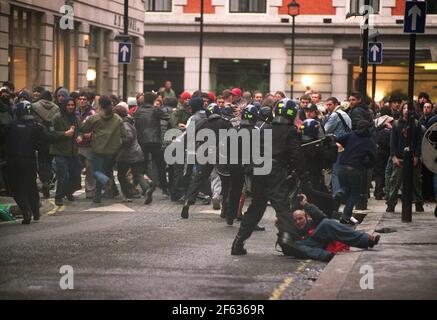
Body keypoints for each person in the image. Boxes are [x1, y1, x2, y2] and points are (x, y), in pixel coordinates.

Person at [231, 99, 305, 255]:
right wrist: (301, 173)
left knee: (256, 207)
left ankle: (238, 242)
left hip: (259, 170)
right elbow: (296, 155)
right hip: (275, 171)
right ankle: (289, 243)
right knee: (283, 208)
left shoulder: (264, 129)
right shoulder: (291, 131)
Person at [282, 194, 380, 262]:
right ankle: (326, 255)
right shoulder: (290, 229)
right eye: (295, 220)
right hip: (306, 245)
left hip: (316, 241)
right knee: (298, 246)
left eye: (300, 218)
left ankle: (367, 240)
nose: (298, 222)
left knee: (327, 223)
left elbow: (322, 217)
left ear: (306, 217)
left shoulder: (311, 222)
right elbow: (287, 245)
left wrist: (306, 204)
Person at [1, 101, 53, 224]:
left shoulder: (10, 126)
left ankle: (26, 212)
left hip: (13, 161)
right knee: (31, 186)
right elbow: (47, 140)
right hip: (29, 161)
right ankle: (35, 212)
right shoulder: (36, 127)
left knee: (16, 188)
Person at [81, 95, 127, 204]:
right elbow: (124, 134)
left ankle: (105, 181)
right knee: (104, 170)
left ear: (100, 105)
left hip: (98, 150)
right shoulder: (118, 119)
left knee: (96, 171)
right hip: (112, 151)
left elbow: (84, 128)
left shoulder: (94, 118)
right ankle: (97, 196)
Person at [337, 120, 378, 225]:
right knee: (355, 193)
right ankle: (346, 216)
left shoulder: (351, 135)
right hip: (355, 168)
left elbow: (338, 139)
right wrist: (367, 165)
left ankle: (341, 191)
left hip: (341, 165)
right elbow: (374, 157)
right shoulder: (369, 140)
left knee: (346, 187)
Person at [386, 103, 424, 213]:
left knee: (416, 182)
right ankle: (391, 204)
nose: (407, 110)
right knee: (395, 182)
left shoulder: (416, 124)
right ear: (402, 110)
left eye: (409, 108)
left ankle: (418, 204)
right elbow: (392, 142)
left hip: (413, 158)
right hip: (399, 158)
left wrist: (417, 156)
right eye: (405, 108)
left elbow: (418, 141)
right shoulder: (397, 124)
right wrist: (393, 156)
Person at [113, 105, 155, 204]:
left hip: (126, 154)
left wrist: (117, 141)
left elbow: (128, 138)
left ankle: (127, 195)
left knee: (121, 175)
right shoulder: (130, 121)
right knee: (138, 174)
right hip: (136, 152)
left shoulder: (123, 123)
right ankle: (146, 189)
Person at [134, 92, 170, 196]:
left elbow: (136, 124)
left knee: (143, 165)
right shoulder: (156, 110)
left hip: (142, 141)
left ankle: (143, 186)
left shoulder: (138, 111)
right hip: (155, 141)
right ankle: (165, 189)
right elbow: (167, 117)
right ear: (153, 100)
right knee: (161, 166)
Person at [50, 97, 82, 207]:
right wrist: (64, 133)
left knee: (75, 175)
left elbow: (80, 130)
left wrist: (80, 136)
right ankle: (58, 196)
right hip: (60, 151)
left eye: (72, 105)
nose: (70, 107)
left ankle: (68, 192)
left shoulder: (76, 118)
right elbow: (51, 134)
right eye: (68, 105)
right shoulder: (57, 117)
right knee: (62, 175)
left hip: (73, 151)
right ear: (64, 106)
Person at [31, 90, 60, 198]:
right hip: (51, 138)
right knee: (49, 160)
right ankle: (48, 180)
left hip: (39, 138)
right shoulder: (56, 108)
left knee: (41, 160)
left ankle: (43, 179)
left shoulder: (34, 106)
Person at [76, 92, 96, 199]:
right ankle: (74, 187)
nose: (82, 101)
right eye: (80, 99)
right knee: (75, 168)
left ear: (88, 101)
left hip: (88, 146)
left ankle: (90, 191)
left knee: (90, 168)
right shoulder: (76, 112)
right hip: (77, 145)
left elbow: (97, 127)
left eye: (84, 99)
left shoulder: (92, 113)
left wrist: (91, 133)